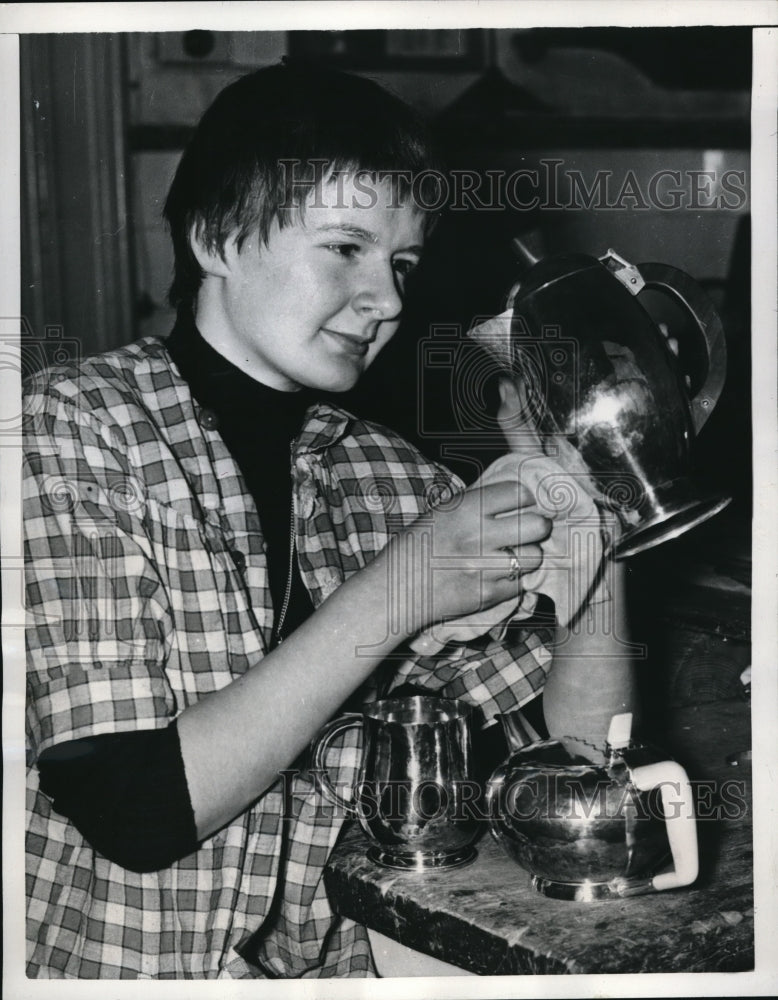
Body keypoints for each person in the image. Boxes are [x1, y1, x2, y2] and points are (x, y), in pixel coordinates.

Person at [24, 62, 635, 979]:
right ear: (217, 238)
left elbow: (585, 757)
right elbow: (132, 813)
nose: (388, 298)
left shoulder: (390, 476)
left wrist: (597, 515)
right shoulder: (71, 427)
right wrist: (399, 590)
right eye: (346, 248)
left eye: (402, 264)